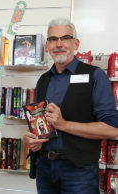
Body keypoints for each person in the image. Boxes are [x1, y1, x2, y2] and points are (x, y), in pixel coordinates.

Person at [24, 18, 118, 194]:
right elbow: (39, 125)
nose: (59, 44)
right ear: (47, 46)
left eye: (65, 38)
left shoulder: (95, 76)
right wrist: (32, 139)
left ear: (75, 43)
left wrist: (63, 124)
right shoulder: (43, 80)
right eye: (53, 39)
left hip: (79, 172)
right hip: (44, 168)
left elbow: (113, 129)